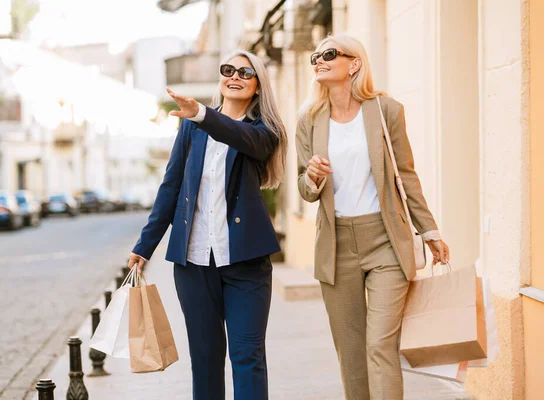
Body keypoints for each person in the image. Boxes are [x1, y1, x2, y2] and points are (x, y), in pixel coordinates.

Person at [296, 33, 450, 400]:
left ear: (355, 63)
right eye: (315, 56)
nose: (319, 60)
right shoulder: (310, 119)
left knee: (380, 345)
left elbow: (406, 175)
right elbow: (304, 190)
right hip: (336, 245)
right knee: (351, 354)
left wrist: (429, 231)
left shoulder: (386, 110)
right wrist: (313, 177)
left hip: (385, 241)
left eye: (329, 54)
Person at [127, 49, 287, 400]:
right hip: (194, 264)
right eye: (228, 69)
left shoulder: (264, 132)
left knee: (247, 357)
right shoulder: (192, 127)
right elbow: (171, 187)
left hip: (246, 264)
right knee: (205, 359)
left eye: (245, 72)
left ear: (259, 86)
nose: (234, 76)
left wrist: (201, 113)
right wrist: (145, 246)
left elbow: (241, 138)